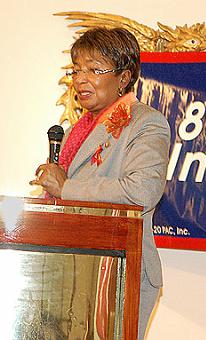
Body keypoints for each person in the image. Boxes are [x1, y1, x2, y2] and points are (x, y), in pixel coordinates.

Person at [30, 27, 170, 339]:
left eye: (94, 69)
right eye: (76, 69)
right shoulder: (77, 131)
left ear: (124, 78)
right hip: (69, 272)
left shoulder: (146, 123)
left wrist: (66, 189)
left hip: (118, 273)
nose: (80, 79)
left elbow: (142, 191)